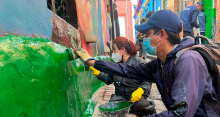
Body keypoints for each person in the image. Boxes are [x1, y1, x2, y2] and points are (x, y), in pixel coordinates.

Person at [76, 10, 219, 116]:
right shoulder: (161, 63)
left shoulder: (188, 61)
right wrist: (94, 62)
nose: (145, 40)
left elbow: (181, 113)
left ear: (161, 35)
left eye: (148, 35)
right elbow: (128, 70)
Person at [90, 36, 156, 116]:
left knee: (140, 104)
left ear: (123, 50)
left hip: (135, 98)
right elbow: (108, 79)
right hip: (120, 97)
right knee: (113, 105)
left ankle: (147, 108)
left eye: (114, 49)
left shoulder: (139, 62)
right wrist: (98, 73)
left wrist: (141, 90)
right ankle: (130, 109)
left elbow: (147, 80)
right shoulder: (116, 65)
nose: (113, 52)